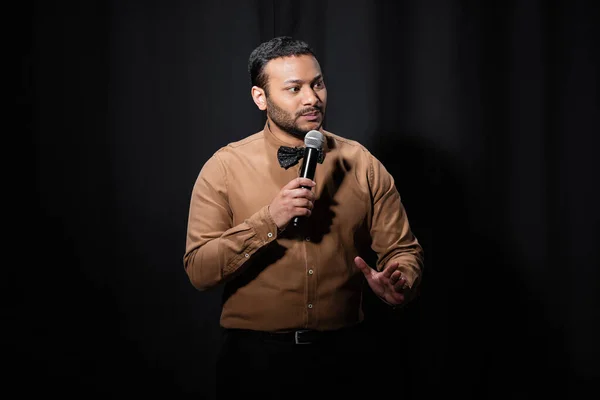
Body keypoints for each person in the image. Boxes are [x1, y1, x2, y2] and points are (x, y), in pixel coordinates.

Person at [183, 36, 424, 399]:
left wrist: (401, 280)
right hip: (256, 366)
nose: (312, 97)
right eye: (294, 88)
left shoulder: (362, 163)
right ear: (260, 97)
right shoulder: (224, 168)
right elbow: (199, 271)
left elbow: (403, 249)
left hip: (347, 360)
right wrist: (269, 220)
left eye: (318, 84)